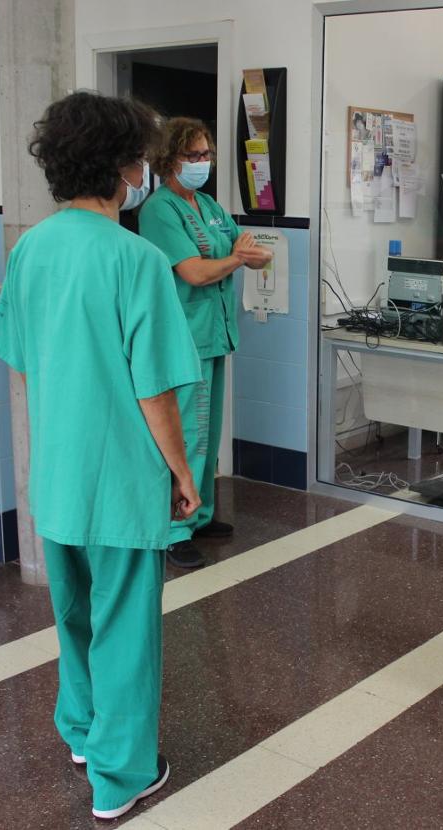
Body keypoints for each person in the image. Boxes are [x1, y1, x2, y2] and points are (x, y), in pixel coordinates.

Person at [0, 91, 202, 819]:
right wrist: (181, 474)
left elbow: (21, 358)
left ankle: (80, 732)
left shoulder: (30, 249)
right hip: (121, 478)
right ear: (123, 166)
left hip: (56, 473)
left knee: (73, 615)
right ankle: (120, 776)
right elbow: (157, 395)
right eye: (140, 160)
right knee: (126, 632)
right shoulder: (136, 261)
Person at [138, 117, 272, 567]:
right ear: (168, 159)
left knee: (209, 435)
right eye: (191, 156)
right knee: (189, 436)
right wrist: (237, 257)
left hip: (214, 336)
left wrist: (247, 255)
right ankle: (176, 526)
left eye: (206, 154)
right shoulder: (159, 210)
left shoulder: (209, 205)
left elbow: (255, 251)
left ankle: (202, 514)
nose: (201, 163)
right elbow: (193, 272)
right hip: (185, 338)